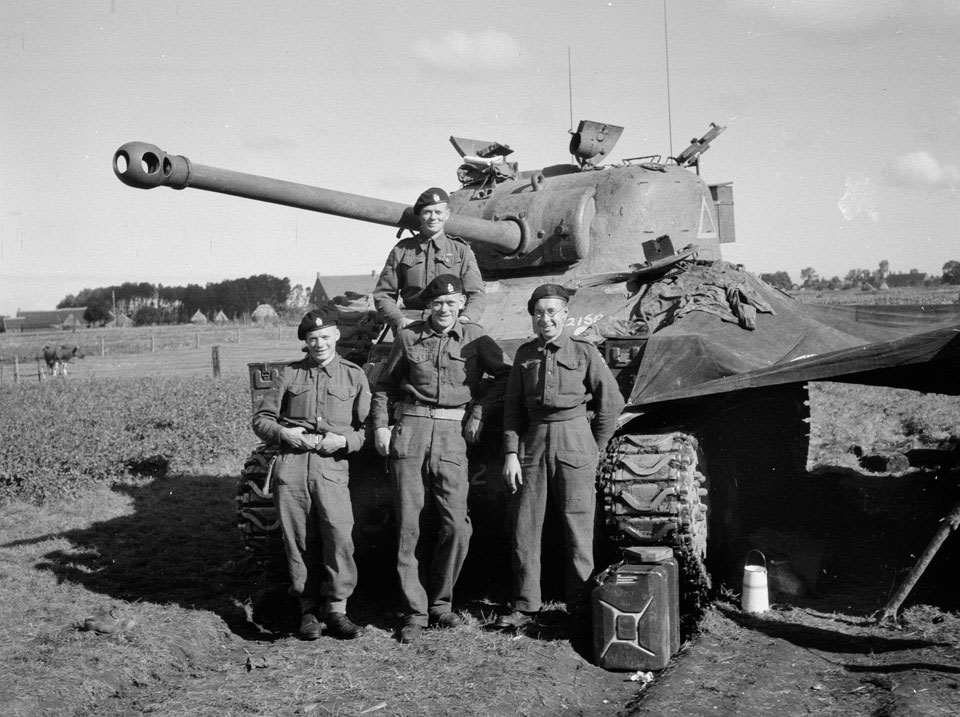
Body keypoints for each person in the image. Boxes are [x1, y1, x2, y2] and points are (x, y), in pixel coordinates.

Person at [372, 274, 511, 643]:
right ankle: (415, 611)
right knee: (409, 521)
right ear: (428, 307)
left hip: (453, 435)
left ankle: (441, 603)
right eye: (438, 304)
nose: (445, 309)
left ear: (462, 303)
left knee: (455, 523)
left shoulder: (476, 338)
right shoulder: (408, 337)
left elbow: (505, 376)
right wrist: (382, 426)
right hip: (412, 430)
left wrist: (480, 410)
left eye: (452, 303)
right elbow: (385, 386)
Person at [496, 284, 625, 631]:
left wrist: (593, 446)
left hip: (575, 437)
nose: (545, 319)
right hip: (533, 441)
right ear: (533, 317)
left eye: (552, 312)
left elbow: (611, 402)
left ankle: (581, 607)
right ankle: (526, 605)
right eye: (539, 313)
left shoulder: (583, 351)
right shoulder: (525, 355)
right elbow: (512, 409)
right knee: (525, 525)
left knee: (579, 526)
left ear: (565, 315)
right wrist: (511, 451)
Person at [252, 306, 370, 641]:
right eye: (311, 338)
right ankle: (307, 611)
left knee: (339, 537)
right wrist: (284, 434)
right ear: (305, 341)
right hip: (292, 466)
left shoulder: (353, 375)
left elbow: (367, 429)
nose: (319, 343)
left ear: (336, 335)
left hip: (331, 468)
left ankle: (337, 610)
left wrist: (344, 440)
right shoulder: (289, 375)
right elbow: (261, 420)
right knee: (298, 539)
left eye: (324, 336)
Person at [373, 187, 485, 332]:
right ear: (420, 215)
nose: (433, 217)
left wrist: (465, 320)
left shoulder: (460, 251)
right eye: (427, 212)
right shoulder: (402, 251)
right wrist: (398, 319)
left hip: (450, 325)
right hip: (412, 326)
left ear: (447, 214)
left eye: (438, 212)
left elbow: (476, 294)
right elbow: (383, 294)